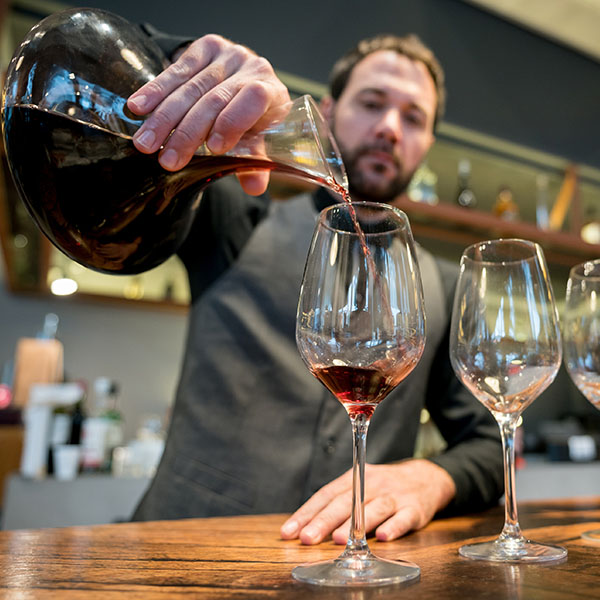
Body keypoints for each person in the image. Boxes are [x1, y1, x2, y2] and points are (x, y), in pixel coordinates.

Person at [127, 28, 504, 545]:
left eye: (413, 117)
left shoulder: (442, 286)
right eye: (372, 103)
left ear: (428, 144)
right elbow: (127, 128)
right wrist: (179, 56)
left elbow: (487, 442)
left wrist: (431, 477)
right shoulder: (239, 217)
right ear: (326, 112)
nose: (390, 128)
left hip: (353, 571)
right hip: (178, 555)